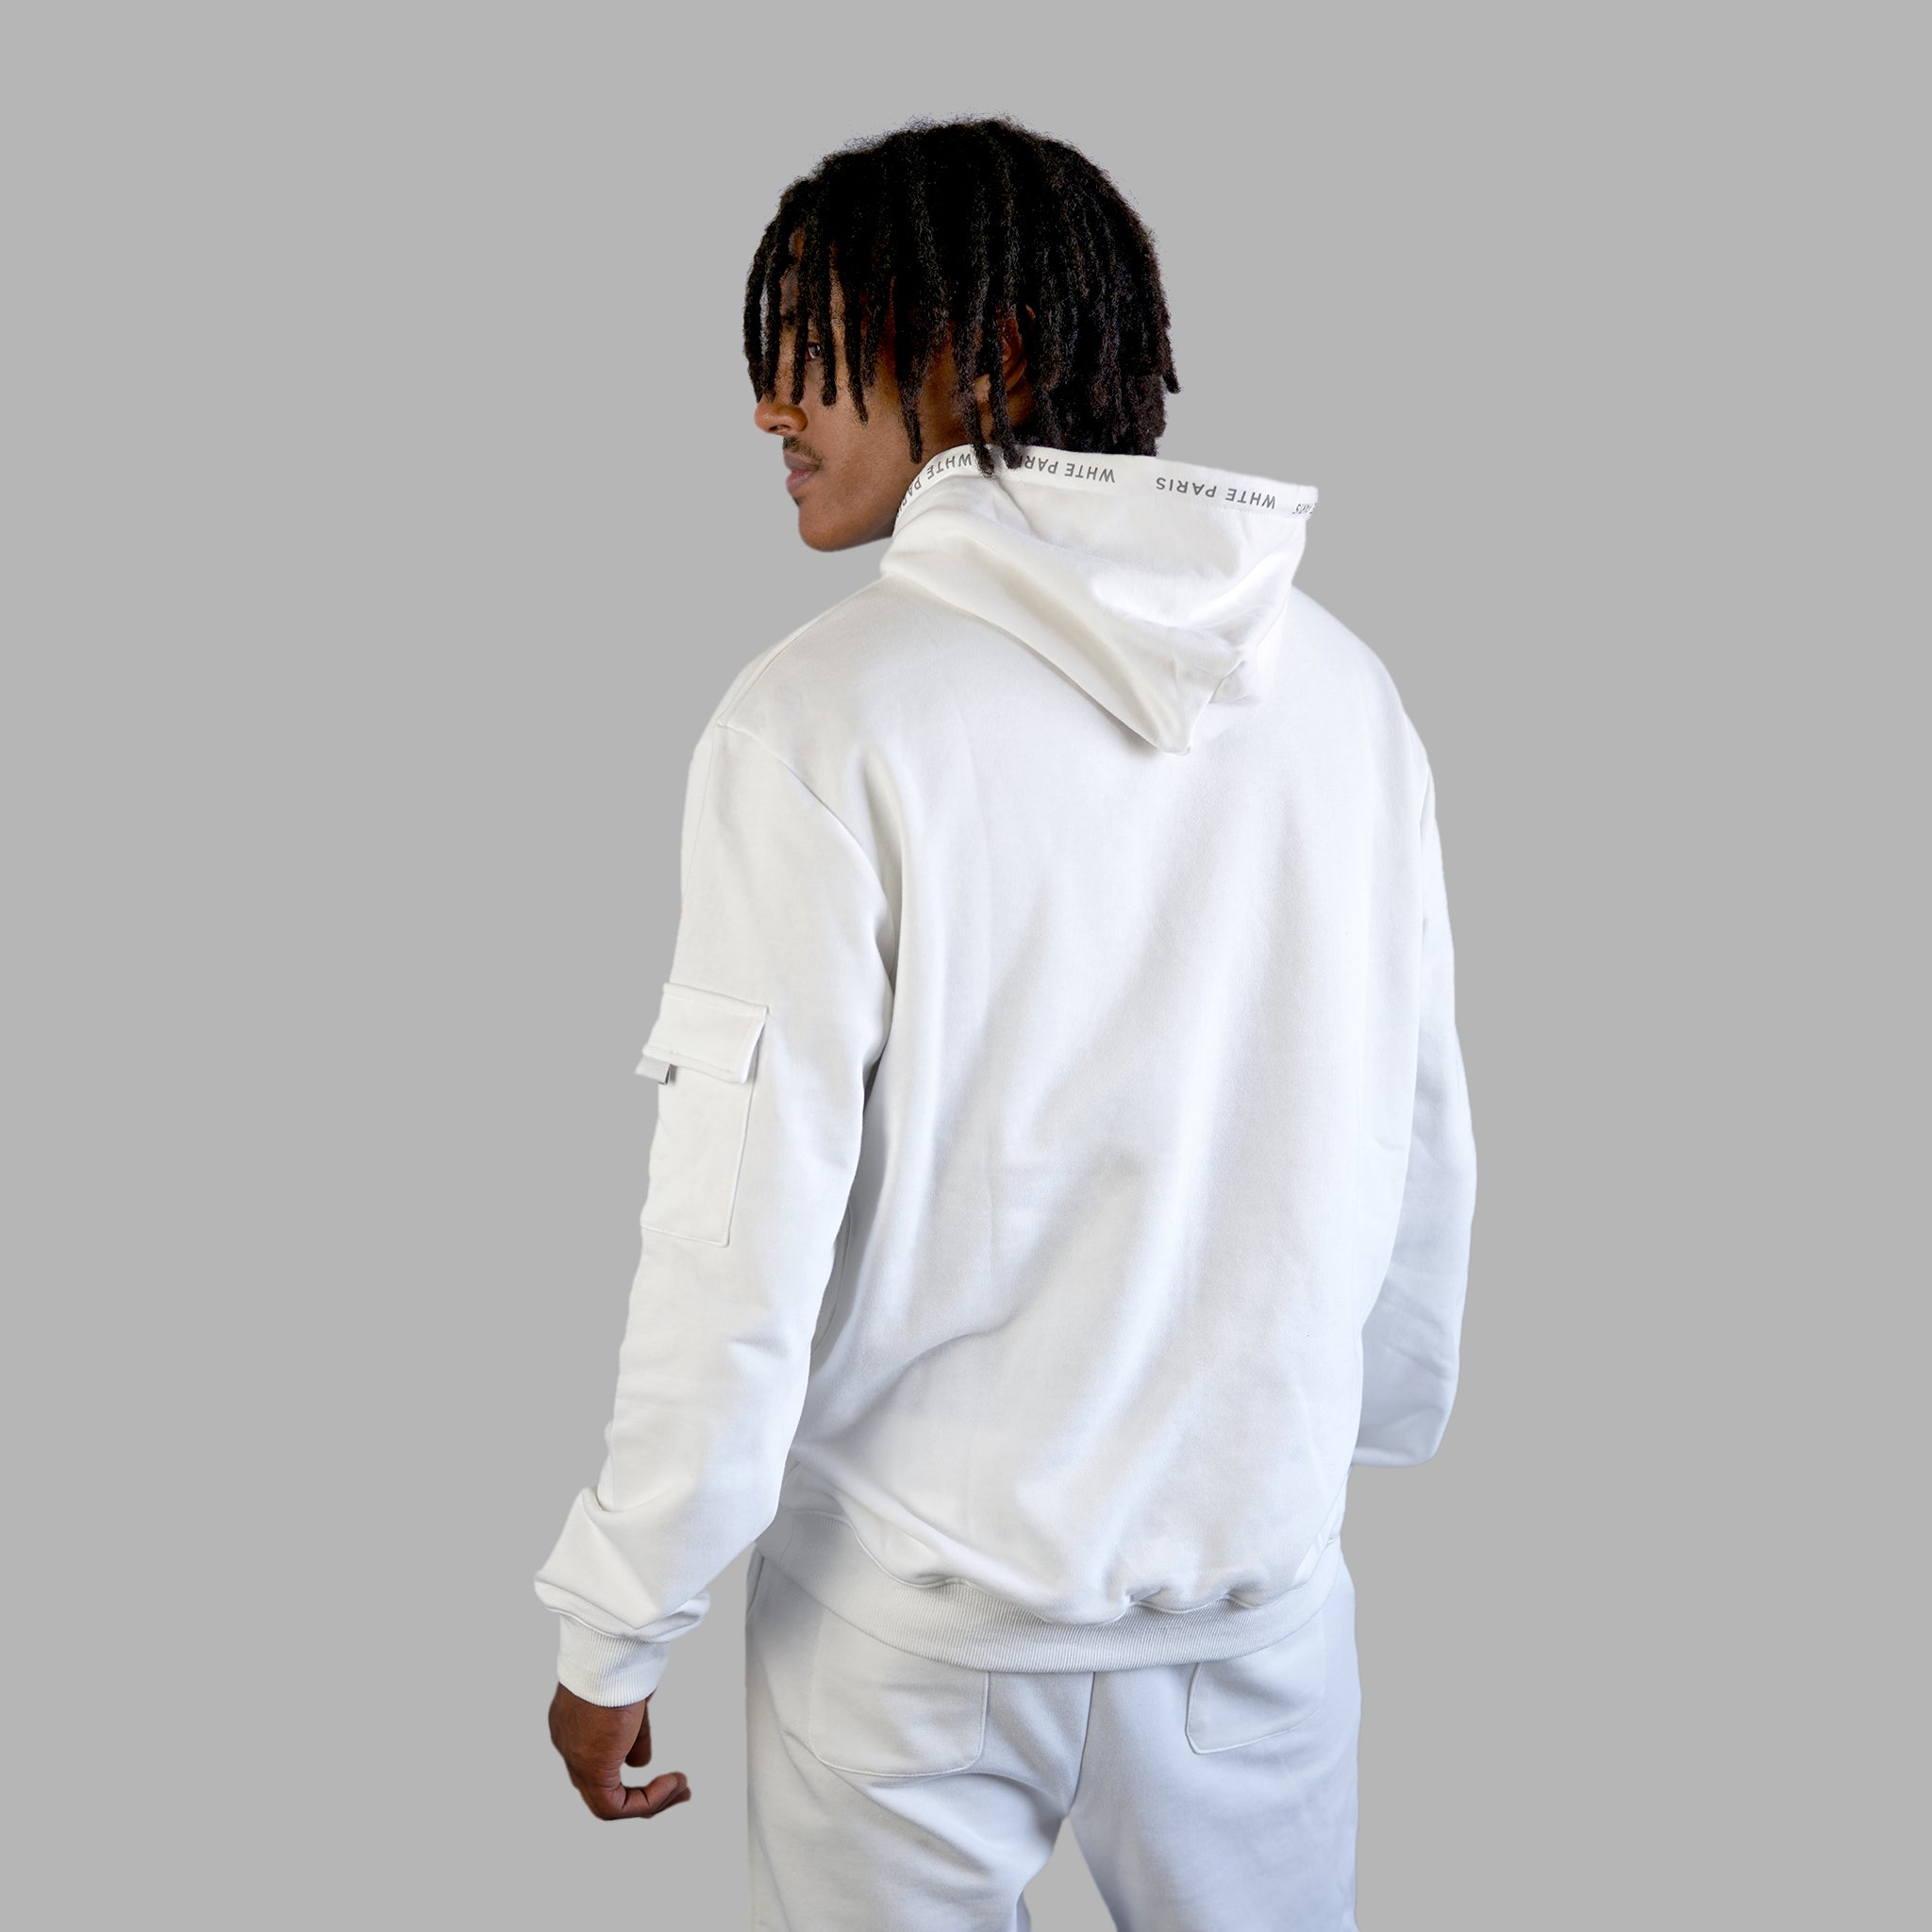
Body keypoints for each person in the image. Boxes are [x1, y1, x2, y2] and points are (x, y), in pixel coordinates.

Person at [536, 115, 1477, 1929]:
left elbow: (735, 1232)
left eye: (815, 349)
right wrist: (1322, 1441)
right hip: (1254, 1617)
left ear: (999, 354)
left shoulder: (822, 720)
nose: (766, 404)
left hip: (910, 1642)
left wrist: (620, 1609)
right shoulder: (1346, 694)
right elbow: (1414, 1122)